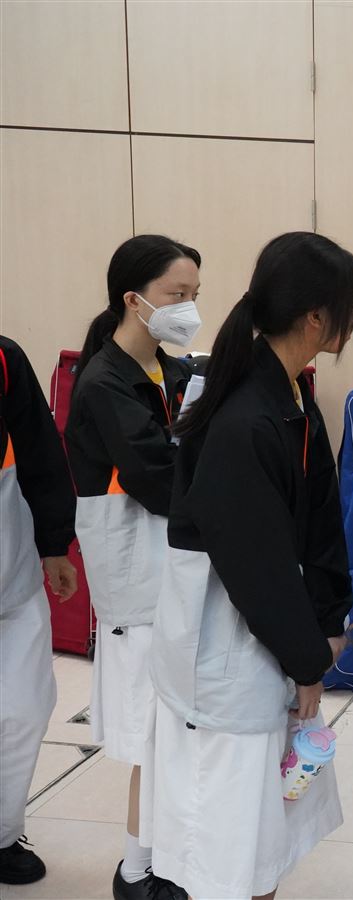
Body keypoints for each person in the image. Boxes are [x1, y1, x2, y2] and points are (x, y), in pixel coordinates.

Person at [141, 232, 353, 900]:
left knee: (261, 848)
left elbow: (322, 523)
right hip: (225, 663)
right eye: (349, 308)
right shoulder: (244, 416)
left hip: (266, 647)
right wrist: (308, 659)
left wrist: (328, 623)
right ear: (315, 317)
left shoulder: (290, 398)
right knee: (227, 858)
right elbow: (256, 566)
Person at [65, 234, 201, 900]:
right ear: (133, 299)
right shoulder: (103, 382)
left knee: (175, 735)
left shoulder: (172, 371)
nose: (189, 308)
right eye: (177, 294)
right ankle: (136, 871)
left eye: (194, 294)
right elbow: (157, 476)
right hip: (139, 580)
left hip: (176, 569)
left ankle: (160, 862)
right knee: (153, 734)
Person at [0, 336, 78, 885]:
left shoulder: (4, 359)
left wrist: (54, 545)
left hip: (13, 576)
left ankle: (3, 834)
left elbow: (40, 454)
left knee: (25, 709)